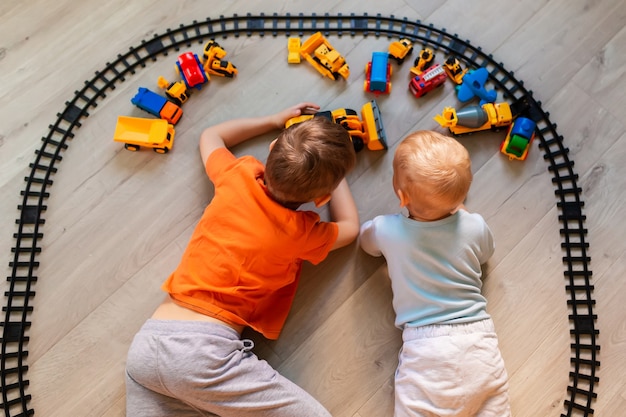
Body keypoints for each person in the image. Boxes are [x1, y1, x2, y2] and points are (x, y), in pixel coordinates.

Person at [125, 102, 359, 417]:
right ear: (322, 198)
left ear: (273, 147)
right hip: (202, 357)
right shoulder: (302, 232)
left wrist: (273, 117)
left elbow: (212, 136)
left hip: (147, 348)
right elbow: (351, 228)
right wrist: (334, 176)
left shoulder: (237, 174)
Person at [359, 130, 511, 417]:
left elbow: (366, 246)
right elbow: (485, 254)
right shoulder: (475, 226)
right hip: (479, 340)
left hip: (427, 346)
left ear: (401, 197)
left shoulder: (386, 230)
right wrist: (460, 215)